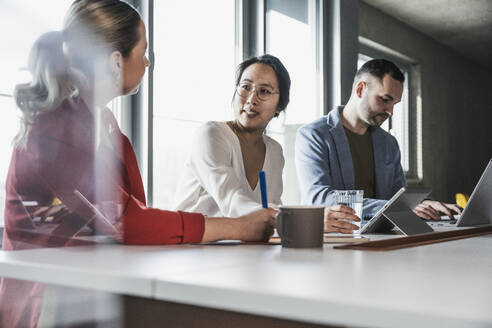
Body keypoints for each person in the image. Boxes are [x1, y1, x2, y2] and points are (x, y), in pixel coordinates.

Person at [0, 1, 275, 327]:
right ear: (116, 61)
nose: (146, 62)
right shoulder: (57, 127)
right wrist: (237, 227)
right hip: (47, 304)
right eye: (143, 52)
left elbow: (129, 212)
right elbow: (126, 219)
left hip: (84, 290)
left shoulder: (101, 123)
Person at [295, 58, 461, 233]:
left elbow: (399, 198)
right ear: (360, 89)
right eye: (384, 99)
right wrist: (396, 208)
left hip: (385, 236)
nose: (390, 111)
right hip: (339, 239)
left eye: (394, 104)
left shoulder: (389, 143)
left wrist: (423, 204)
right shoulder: (313, 135)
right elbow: (318, 198)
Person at [174, 55, 289, 217]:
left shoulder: (275, 152)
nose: (251, 99)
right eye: (246, 87)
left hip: (243, 242)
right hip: (192, 241)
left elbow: (272, 208)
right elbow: (231, 201)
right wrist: (293, 216)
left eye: (264, 91)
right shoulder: (211, 135)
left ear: (280, 106)